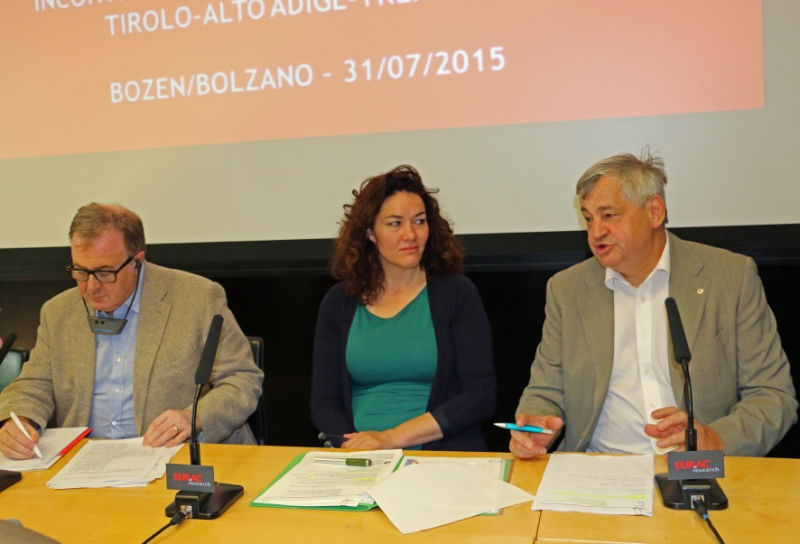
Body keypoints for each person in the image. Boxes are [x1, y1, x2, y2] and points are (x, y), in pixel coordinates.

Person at [511, 152, 797, 458]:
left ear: (655, 212)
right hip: (597, 467)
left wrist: (717, 439)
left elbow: (772, 396)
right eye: (589, 218)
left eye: (609, 216)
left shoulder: (730, 278)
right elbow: (546, 391)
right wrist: (535, 425)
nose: (595, 232)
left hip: (694, 467)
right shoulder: (567, 289)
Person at [0, 204, 263, 459]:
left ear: (137, 261)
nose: (91, 286)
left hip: (175, 457)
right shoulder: (58, 312)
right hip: (84, 462)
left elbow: (242, 378)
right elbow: (35, 383)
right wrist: (19, 420)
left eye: (104, 272)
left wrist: (193, 418)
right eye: (81, 271)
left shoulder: (197, 298)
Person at [311, 165, 496, 451]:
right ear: (370, 233)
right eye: (395, 223)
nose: (411, 234)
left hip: (442, 454)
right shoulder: (339, 301)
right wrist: (355, 448)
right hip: (361, 454)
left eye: (419, 221)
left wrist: (392, 438)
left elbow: (480, 396)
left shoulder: (456, 293)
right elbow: (324, 402)